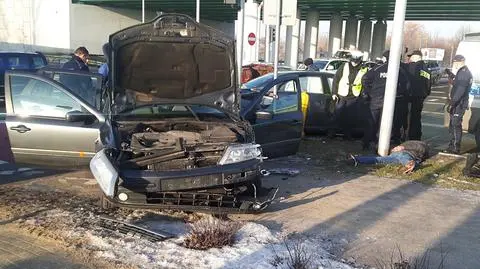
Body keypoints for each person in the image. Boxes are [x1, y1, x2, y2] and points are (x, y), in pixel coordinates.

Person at [361, 50, 410, 151]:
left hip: (376, 99)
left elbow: (365, 78)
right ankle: (381, 145)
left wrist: (370, 92)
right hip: (391, 101)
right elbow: (406, 86)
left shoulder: (378, 68)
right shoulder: (399, 71)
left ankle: (367, 143)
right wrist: (398, 94)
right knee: (386, 125)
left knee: (372, 122)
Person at [331, 51, 368, 140]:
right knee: (337, 114)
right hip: (342, 94)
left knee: (350, 117)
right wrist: (334, 93)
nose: (354, 63)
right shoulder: (344, 66)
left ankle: (347, 135)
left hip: (354, 96)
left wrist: (363, 95)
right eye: (353, 61)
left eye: (356, 61)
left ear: (360, 60)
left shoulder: (364, 68)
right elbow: (336, 79)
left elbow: (365, 83)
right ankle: (331, 133)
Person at [444, 55, 473, 154]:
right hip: (458, 103)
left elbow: (460, 90)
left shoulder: (464, 73)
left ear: (460, 62)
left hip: (459, 104)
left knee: (456, 125)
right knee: (453, 125)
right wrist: (451, 75)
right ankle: (452, 146)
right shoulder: (462, 72)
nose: (454, 64)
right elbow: (457, 82)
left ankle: (455, 148)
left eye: (455, 62)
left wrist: (452, 103)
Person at [348, 140, 429, 174]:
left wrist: (403, 147)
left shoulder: (411, 144)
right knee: (380, 159)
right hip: (401, 155)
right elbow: (422, 149)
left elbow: (421, 147)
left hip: (405, 154)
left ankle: (358, 159)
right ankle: (357, 159)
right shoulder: (404, 148)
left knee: (380, 159)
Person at [405, 50, 431, 141]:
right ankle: (417, 136)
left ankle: (410, 137)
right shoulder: (426, 69)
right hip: (421, 97)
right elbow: (428, 85)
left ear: (416, 57)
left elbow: (407, 82)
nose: (410, 58)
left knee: (409, 118)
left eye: (411, 56)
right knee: (417, 117)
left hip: (411, 97)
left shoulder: (412, 67)